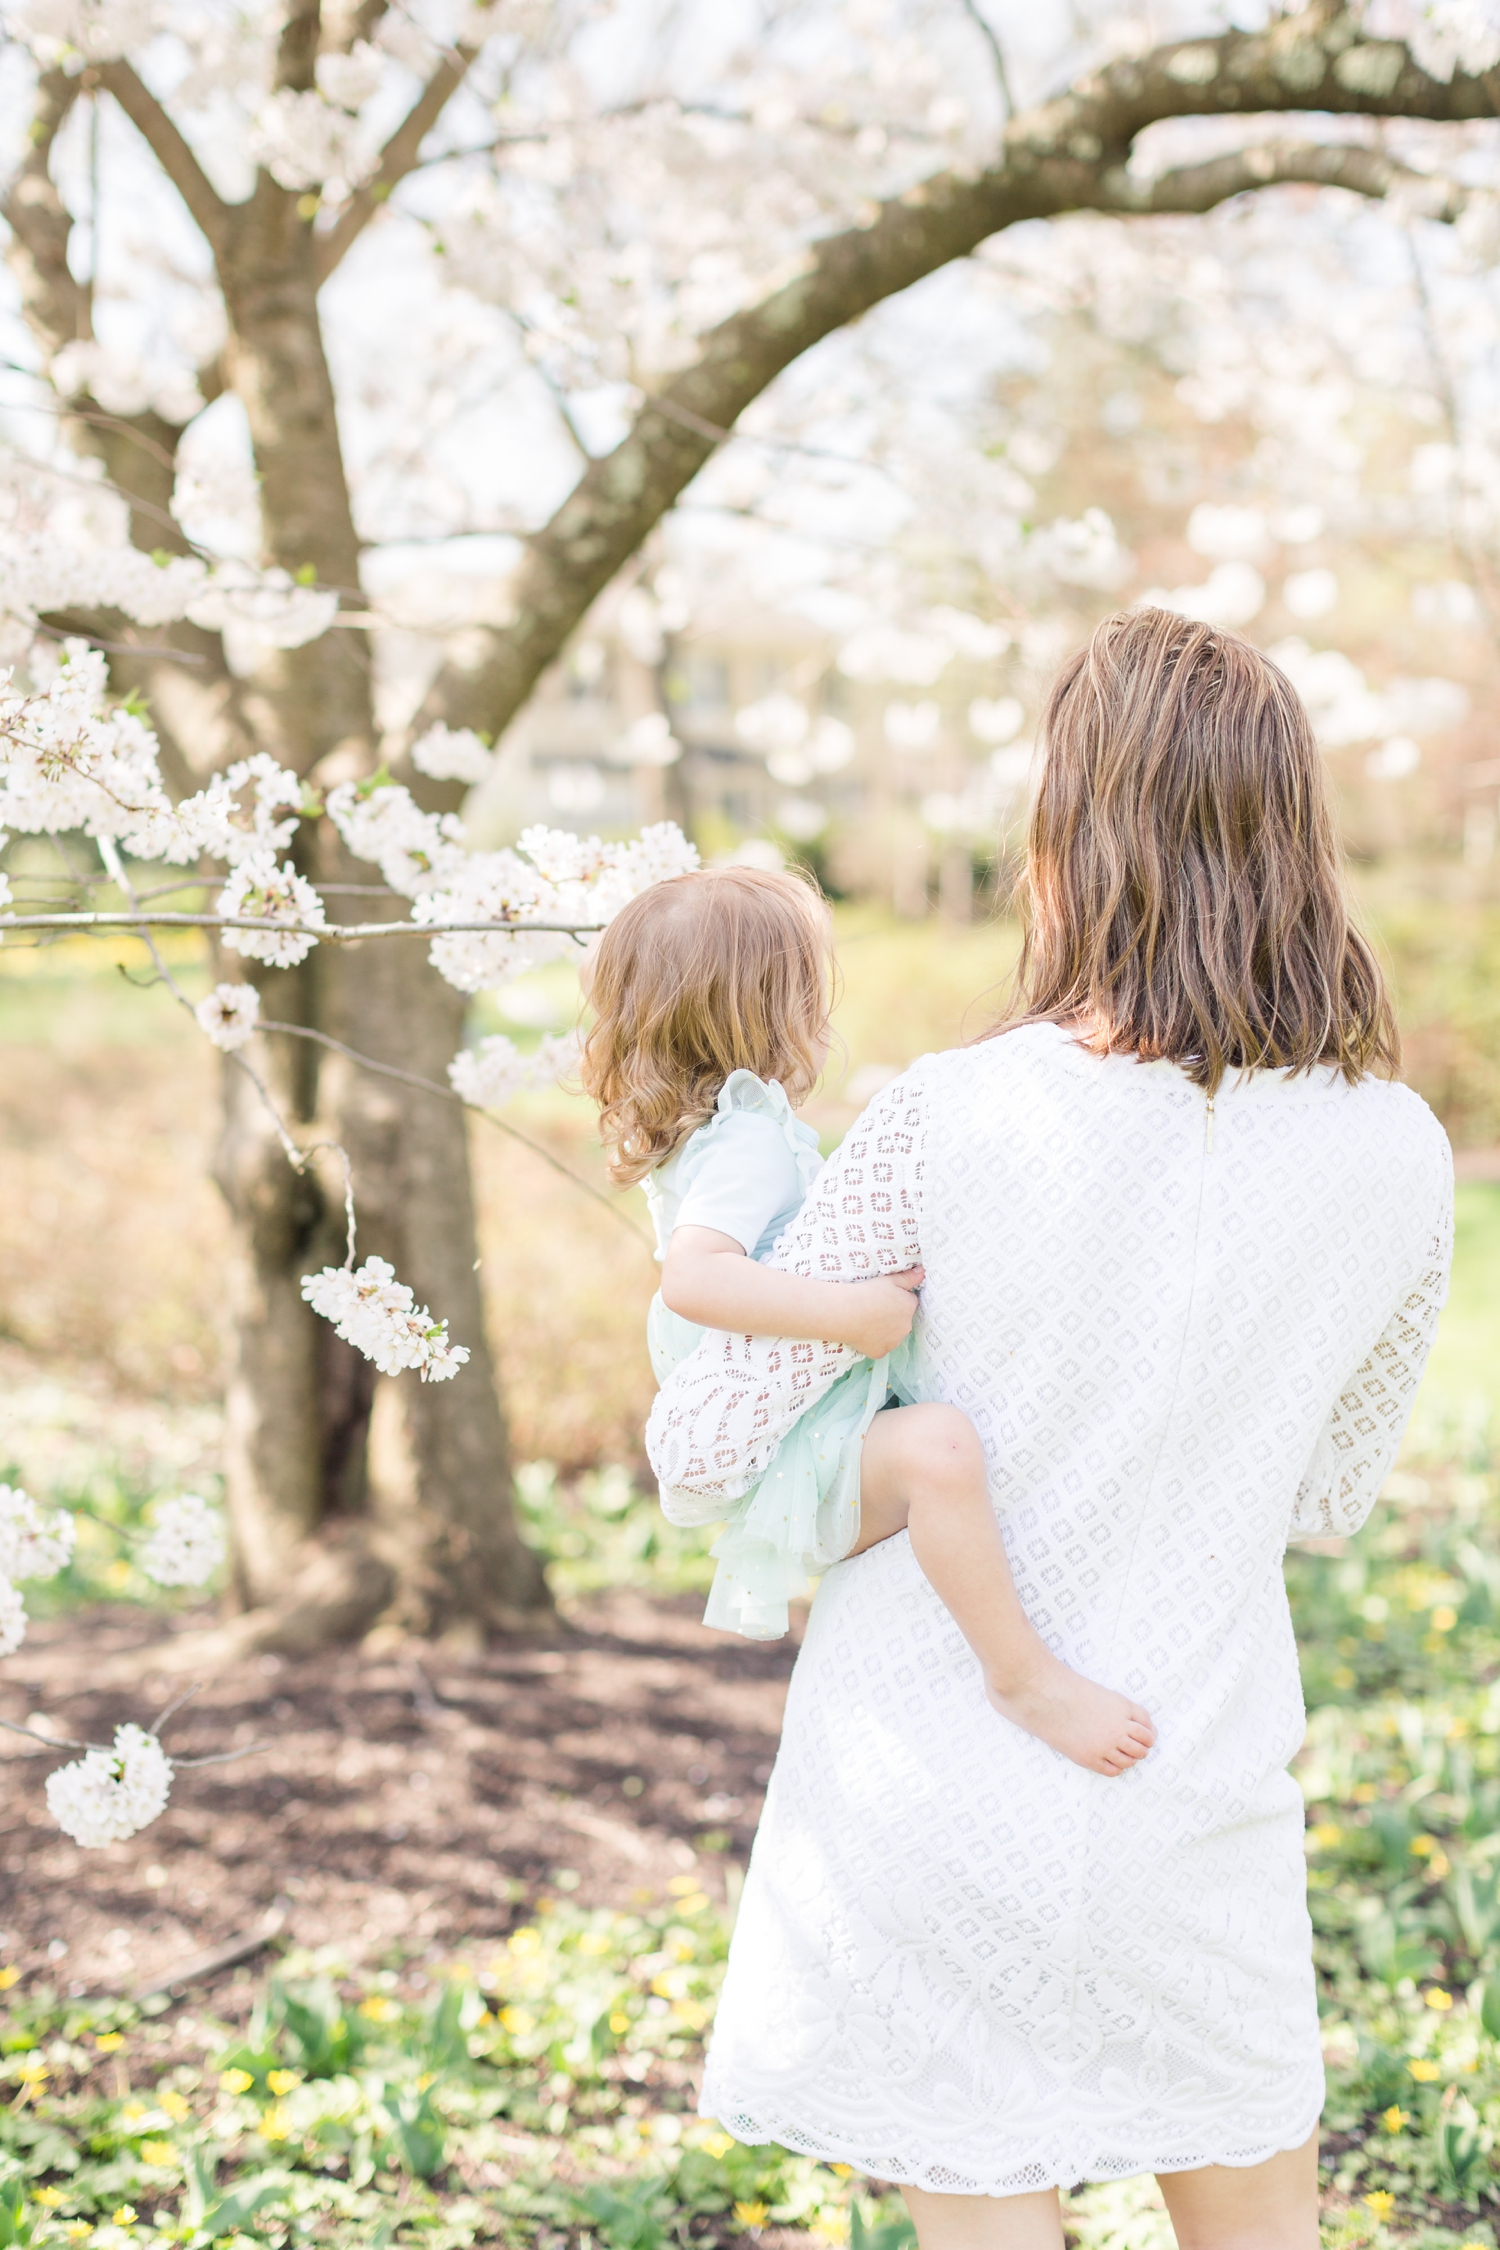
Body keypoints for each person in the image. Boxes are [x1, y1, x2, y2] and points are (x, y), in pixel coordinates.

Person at [646, 609, 1454, 2250]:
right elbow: (1327, 1494)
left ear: (1067, 836)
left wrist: (912, 1437)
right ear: (1294, 839)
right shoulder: (1402, 1150)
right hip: (1196, 1763)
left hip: (935, 1776)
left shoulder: (955, 1111)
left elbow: (703, 1454)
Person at [579, 865, 1156, 1776]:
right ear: (773, 1007)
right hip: (796, 1451)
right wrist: (849, 1314)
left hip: (812, 1427)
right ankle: (1023, 1678)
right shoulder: (744, 1138)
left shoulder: (730, 1130)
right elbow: (694, 1280)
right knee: (941, 1452)